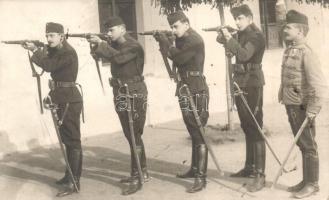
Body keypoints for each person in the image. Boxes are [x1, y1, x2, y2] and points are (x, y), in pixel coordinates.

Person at [87, 17, 149, 195]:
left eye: (111, 30)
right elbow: (98, 55)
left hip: (134, 92)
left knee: (134, 133)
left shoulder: (133, 45)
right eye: (107, 31)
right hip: (121, 91)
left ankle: (137, 177)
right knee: (130, 134)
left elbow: (119, 58)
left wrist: (101, 43)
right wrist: (94, 45)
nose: (108, 33)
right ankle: (142, 171)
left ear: (122, 29)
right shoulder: (115, 45)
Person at [22, 22, 83, 197]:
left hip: (69, 99)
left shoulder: (67, 52)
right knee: (66, 139)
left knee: (72, 140)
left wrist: (35, 51)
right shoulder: (58, 50)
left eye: (52, 35)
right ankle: (69, 175)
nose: (48, 39)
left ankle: (74, 182)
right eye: (47, 35)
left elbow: (49, 66)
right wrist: (37, 49)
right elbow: (49, 60)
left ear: (61, 36)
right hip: (61, 96)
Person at [155, 11, 209, 193]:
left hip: (196, 89)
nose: (173, 30)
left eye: (175, 26)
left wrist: (166, 44)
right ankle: (194, 169)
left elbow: (178, 58)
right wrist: (165, 44)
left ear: (186, 23)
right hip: (185, 88)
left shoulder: (194, 40)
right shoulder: (182, 39)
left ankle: (201, 178)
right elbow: (174, 60)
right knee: (191, 128)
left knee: (199, 132)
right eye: (171, 27)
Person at [216, 4, 266, 192]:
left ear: (250, 18)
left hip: (253, 83)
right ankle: (249, 167)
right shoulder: (241, 34)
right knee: (246, 125)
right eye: (235, 19)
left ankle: (260, 175)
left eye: (240, 18)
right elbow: (220, 40)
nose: (237, 22)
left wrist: (229, 37)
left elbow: (244, 54)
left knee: (255, 126)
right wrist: (224, 34)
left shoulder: (256, 36)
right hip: (240, 83)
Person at [279, 10, 326, 199]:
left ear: (300, 30)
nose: (284, 30)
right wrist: (281, 92)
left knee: (309, 145)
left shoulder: (307, 53)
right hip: (291, 104)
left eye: (288, 27)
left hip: (302, 107)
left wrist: (313, 110)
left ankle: (312, 184)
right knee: (302, 144)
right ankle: (306, 181)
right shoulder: (290, 49)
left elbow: (319, 84)